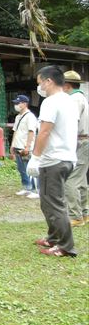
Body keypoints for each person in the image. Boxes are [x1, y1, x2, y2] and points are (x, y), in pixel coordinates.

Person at [27, 66, 78, 257]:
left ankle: (65, 246)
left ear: (49, 81)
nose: (39, 87)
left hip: (53, 159)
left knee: (53, 203)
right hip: (67, 157)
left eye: (40, 83)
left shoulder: (50, 102)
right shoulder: (69, 100)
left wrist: (35, 157)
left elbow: (45, 131)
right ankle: (53, 237)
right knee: (47, 202)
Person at [62, 70, 88, 227]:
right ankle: (85, 213)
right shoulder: (81, 97)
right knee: (82, 180)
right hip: (85, 141)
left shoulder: (74, 99)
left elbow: (71, 123)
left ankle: (75, 216)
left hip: (80, 141)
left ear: (66, 85)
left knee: (70, 181)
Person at [10, 95, 39, 198]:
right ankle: (26, 187)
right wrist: (12, 145)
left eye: (18, 103)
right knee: (21, 168)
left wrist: (27, 147)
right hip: (17, 146)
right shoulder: (18, 117)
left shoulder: (30, 116)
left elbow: (31, 132)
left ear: (25, 104)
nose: (16, 105)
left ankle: (35, 190)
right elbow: (15, 131)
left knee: (30, 169)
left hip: (26, 147)